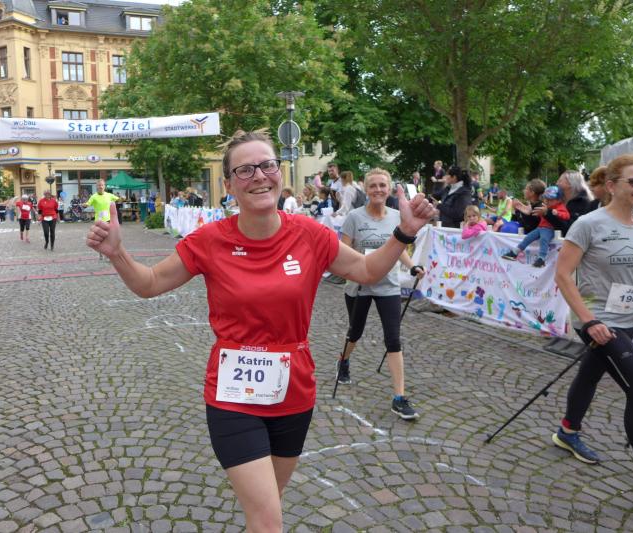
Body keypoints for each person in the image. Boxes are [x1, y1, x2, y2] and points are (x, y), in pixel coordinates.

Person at [85, 129, 436, 531]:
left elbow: (368, 270)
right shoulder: (209, 241)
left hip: (294, 392)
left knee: (266, 510)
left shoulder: (310, 234)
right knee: (269, 518)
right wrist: (117, 253)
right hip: (233, 396)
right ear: (229, 185)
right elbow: (149, 284)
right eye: (245, 170)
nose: (259, 176)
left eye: (267, 165)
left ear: (279, 173)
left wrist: (405, 232)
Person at [551, 153, 633, 464]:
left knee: (590, 373)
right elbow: (562, 275)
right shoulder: (588, 224)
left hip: (628, 318)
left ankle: (567, 431)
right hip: (597, 320)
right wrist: (589, 322)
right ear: (612, 186)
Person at [336, 168, 425, 420]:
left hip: (388, 286)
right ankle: (343, 360)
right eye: (373, 185)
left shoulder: (397, 216)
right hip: (359, 286)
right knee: (355, 332)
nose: (378, 190)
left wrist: (412, 266)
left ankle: (399, 398)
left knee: (393, 339)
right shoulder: (354, 217)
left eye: (382, 185)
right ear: (366, 189)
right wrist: (358, 267)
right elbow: (343, 251)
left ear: (389, 189)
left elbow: (399, 249)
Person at [501, 185, 569, 268]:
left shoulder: (560, 207)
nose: (547, 201)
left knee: (544, 240)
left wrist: (557, 213)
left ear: (559, 200)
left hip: (548, 229)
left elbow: (567, 216)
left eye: (550, 200)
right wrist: (530, 212)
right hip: (540, 227)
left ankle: (541, 258)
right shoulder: (545, 205)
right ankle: (515, 252)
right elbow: (537, 217)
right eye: (546, 199)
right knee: (528, 238)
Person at [550, 170, 593, 235]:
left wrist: (548, 213)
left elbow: (570, 228)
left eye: (560, 181)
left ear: (570, 183)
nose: (557, 183)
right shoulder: (559, 200)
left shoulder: (582, 202)